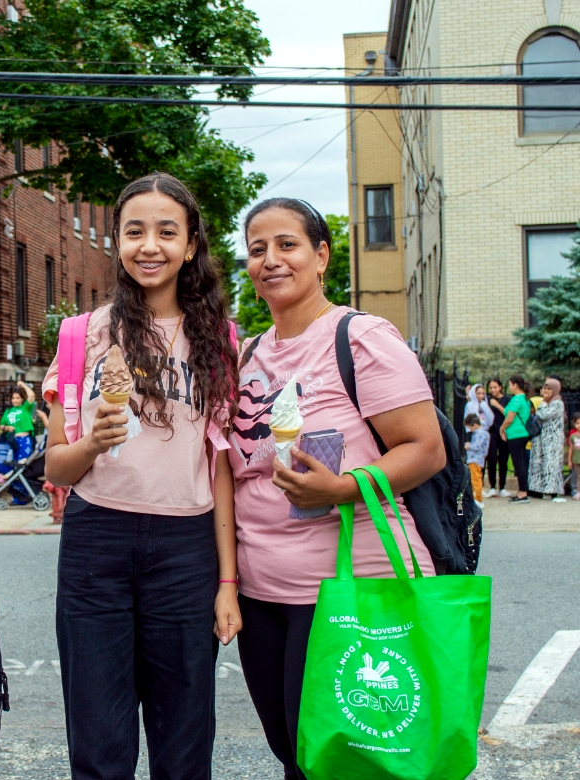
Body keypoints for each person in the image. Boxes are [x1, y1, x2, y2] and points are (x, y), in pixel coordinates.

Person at [231, 197, 443, 780]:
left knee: (343, 762)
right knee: (292, 750)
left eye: (288, 245)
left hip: (355, 587)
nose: (271, 260)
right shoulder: (248, 353)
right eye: (257, 249)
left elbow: (425, 448)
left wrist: (343, 488)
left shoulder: (360, 337)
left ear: (321, 255)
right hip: (262, 591)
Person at [44, 172, 240, 778]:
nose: (148, 246)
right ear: (118, 241)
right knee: (98, 745)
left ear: (190, 245)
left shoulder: (220, 341)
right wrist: (92, 443)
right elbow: (56, 464)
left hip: (185, 548)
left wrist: (227, 581)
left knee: (184, 744)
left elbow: (222, 465)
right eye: (134, 231)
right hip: (96, 540)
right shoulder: (83, 334)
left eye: (165, 232)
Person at [528, 377, 567, 502]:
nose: (546, 391)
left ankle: (552, 491)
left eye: (549, 388)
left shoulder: (557, 403)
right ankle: (537, 489)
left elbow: (543, 414)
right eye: (545, 388)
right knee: (539, 463)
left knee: (551, 464)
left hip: (552, 440)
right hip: (541, 439)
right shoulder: (547, 402)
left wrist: (543, 402)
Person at [500, 375, 533, 504]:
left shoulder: (516, 400)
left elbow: (509, 418)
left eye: (510, 384)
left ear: (515, 385)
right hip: (522, 433)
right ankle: (522, 490)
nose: (509, 387)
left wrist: (501, 429)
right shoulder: (524, 399)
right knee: (521, 463)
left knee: (518, 463)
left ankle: (523, 493)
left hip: (516, 434)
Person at [0, 380, 37, 462]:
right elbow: (1, 425)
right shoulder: (8, 411)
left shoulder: (25, 408)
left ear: (22, 399)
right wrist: (6, 428)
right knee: (11, 463)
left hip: (24, 440)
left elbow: (32, 396)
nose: (15, 400)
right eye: (13, 398)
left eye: (17, 398)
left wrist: (23, 385)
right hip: (11, 441)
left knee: (22, 464)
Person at [485, 378, 510, 498]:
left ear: (500, 387)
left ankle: (503, 486)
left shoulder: (507, 399)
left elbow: (509, 414)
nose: (493, 390)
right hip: (491, 433)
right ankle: (492, 486)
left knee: (503, 460)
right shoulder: (487, 400)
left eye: (495, 387)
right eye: (491, 388)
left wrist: (497, 405)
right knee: (492, 459)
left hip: (503, 433)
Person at [464, 413, 489, 505]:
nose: (470, 430)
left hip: (475, 459)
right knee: (476, 478)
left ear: (474, 425)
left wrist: (468, 445)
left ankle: (478, 498)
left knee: (476, 479)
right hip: (477, 459)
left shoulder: (480, 433)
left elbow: (477, 446)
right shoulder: (483, 432)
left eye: (470, 427)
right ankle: (477, 497)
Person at [568, 412, 580, 500]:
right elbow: (570, 449)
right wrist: (569, 461)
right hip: (576, 460)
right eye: (578, 423)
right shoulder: (572, 436)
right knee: (578, 476)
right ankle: (578, 491)